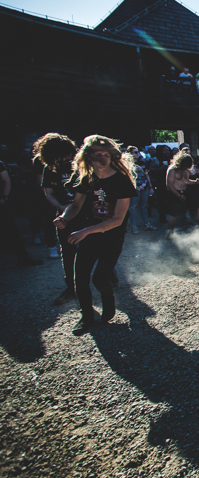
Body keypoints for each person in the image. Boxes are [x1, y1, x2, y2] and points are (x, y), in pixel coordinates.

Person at [54, 135, 137, 335]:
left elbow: (117, 219)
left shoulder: (121, 180)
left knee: (100, 279)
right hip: (88, 235)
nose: (103, 159)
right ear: (88, 157)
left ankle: (109, 302)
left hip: (112, 236)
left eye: (106, 155)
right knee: (79, 279)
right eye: (98, 155)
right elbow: (75, 205)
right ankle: (86, 317)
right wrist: (64, 218)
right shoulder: (86, 178)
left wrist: (85, 231)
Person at [38, 134, 80, 300]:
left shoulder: (80, 165)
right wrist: (61, 207)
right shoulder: (49, 169)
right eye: (61, 155)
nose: (66, 158)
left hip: (85, 215)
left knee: (96, 246)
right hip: (64, 216)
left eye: (68, 153)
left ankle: (107, 277)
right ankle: (71, 287)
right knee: (68, 252)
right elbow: (48, 193)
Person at [165, 150, 199, 239]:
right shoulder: (172, 170)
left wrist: (195, 182)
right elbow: (169, 186)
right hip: (174, 193)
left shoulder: (185, 170)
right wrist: (179, 196)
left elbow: (186, 181)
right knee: (174, 214)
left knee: (198, 205)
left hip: (184, 192)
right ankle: (170, 233)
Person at [127, 146, 157, 234]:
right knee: (133, 207)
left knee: (144, 205)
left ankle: (147, 224)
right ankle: (133, 226)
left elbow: (146, 173)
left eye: (138, 152)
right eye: (135, 152)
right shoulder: (127, 163)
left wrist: (150, 186)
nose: (137, 154)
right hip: (134, 187)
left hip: (144, 185)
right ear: (130, 154)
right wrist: (132, 186)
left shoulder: (142, 161)